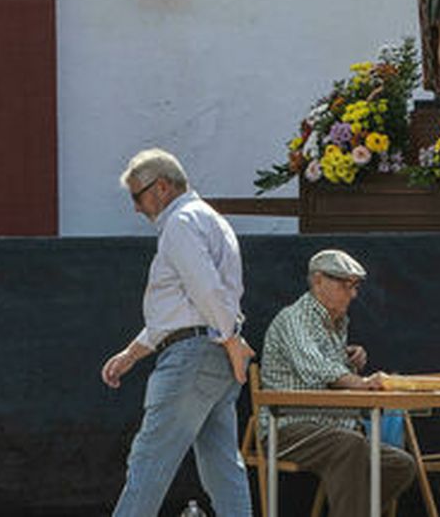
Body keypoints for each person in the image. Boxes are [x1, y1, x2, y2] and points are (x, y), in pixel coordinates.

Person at [100, 148, 254, 517]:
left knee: (148, 462)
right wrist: (131, 354)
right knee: (222, 470)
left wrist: (231, 339)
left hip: (195, 355)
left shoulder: (181, 222)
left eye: (138, 196)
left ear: (162, 187)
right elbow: (185, 308)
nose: (136, 208)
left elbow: (205, 290)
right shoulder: (209, 219)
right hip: (214, 353)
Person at [260, 249, 416, 517]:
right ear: (318, 280)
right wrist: (362, 382)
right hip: (286, 426)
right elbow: (315, 367)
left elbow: (329, 368)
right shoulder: (294, 318)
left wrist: (351, 360)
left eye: (355, 286)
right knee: (349, 446)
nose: (353, 294)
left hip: (330, 428)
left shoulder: (335, 324)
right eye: (345, 285)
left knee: (399, 464)